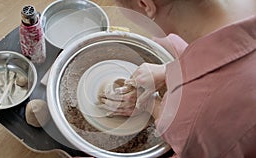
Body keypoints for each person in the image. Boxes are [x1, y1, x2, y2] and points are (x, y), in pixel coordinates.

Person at [100, 0, 256, 157]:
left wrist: (149, 104)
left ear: (145, 4)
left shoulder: (193, 114)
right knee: (166, 42)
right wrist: (169, 70)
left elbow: (192, 130)